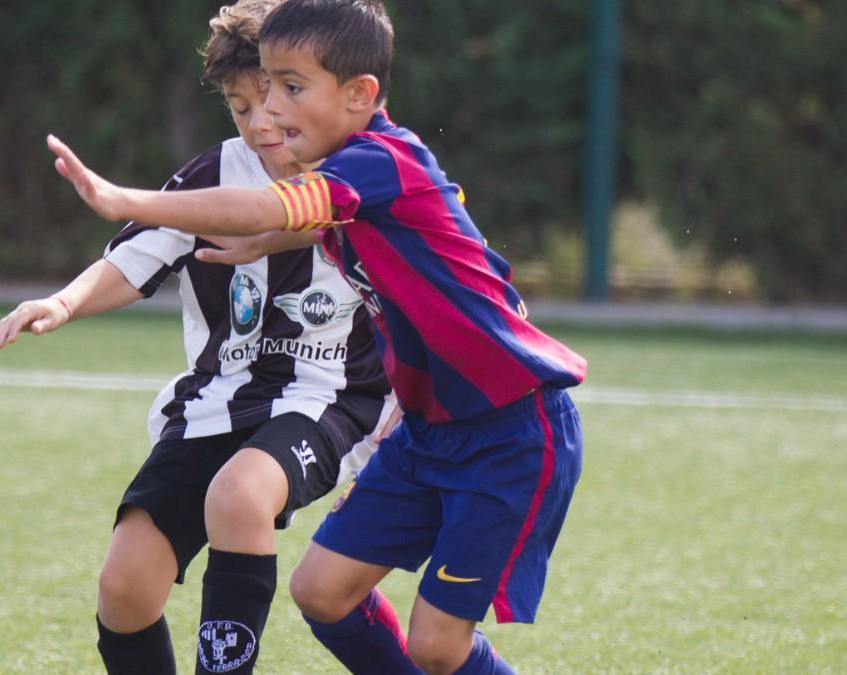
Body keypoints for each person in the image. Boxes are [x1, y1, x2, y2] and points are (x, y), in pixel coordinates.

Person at [44, 1, 587, 673]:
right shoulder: (347, 179)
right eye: (261, 91)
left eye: (289, 89)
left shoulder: (380, 161)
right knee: (321, 591)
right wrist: (264, 241)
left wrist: (128, 200)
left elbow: (277, 204)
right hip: (426, 432)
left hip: (509, 427)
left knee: (437, 647)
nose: (268, 110)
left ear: (360, 95)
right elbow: (302, 219)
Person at [0, 2, 403, 673]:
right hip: (218, 398)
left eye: (276, 98)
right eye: (240, 107)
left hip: (329, 398)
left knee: (239, 496)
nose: (262, 122)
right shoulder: (211, 178)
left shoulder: (366, 173)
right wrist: (64, 301)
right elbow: (136, 258)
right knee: (125, 587)